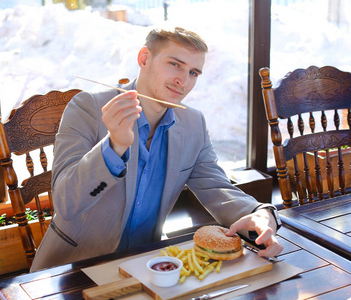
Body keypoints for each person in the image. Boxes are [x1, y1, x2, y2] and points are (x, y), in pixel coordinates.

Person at [30, 26, 283, 272]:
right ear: (144, 58)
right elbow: (66, 203)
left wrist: (261, 213)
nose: (182, 81)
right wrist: (114, 146)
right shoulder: (87, 108)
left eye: (193, 72)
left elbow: (217, 188)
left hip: (147, 266)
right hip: (71, 269)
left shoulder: (193, 124)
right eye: (175, 64)